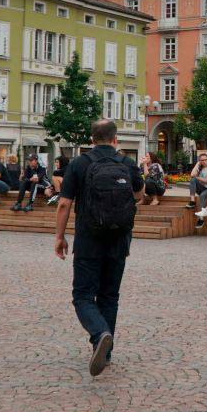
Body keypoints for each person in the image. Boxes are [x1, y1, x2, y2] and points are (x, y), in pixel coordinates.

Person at [54, 120, 144, 377]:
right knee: (109, 296)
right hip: (119, 239)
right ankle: (105, 350)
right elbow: (139, 195)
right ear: (115, 139)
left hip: (88, 239)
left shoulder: (80, 164)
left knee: (82, 296)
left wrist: (59, 237)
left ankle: (99, 333)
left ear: (91, 139)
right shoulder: (126, 163)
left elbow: (64, 204)